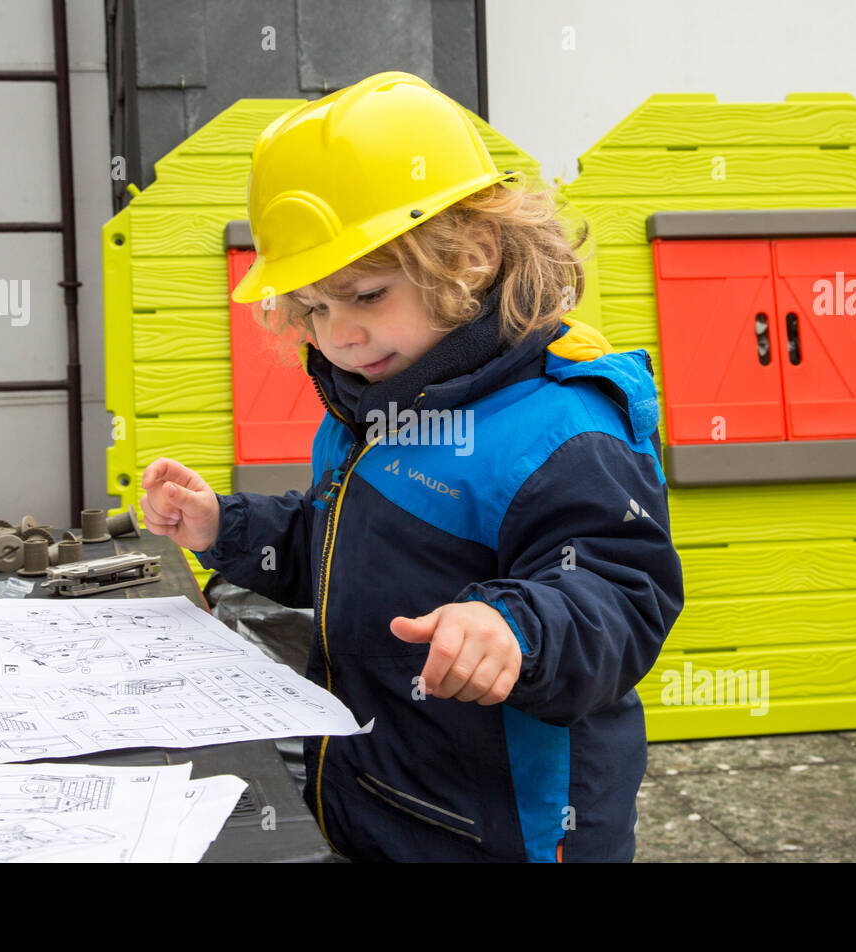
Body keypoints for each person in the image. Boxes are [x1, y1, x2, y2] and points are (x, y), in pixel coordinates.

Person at [139, 71, 683, 862]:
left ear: (470, 256)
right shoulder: (381, 401)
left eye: (365, 295)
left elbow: (621, 594)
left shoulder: (561, 428)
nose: (340, 337)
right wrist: (227, 526)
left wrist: (513, 627)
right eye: (316, 309)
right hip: (378, 798)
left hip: (508, 833)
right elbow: (336, 550)